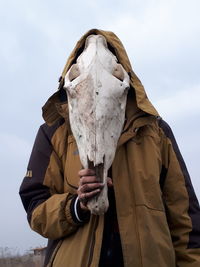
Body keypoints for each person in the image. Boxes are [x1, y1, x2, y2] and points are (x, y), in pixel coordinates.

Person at [19, 29, 200, 267]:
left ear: (125, 76)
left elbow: (184, 216)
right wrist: (76, 205)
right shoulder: (54, 133)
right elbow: (36, 209)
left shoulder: (155, 132)